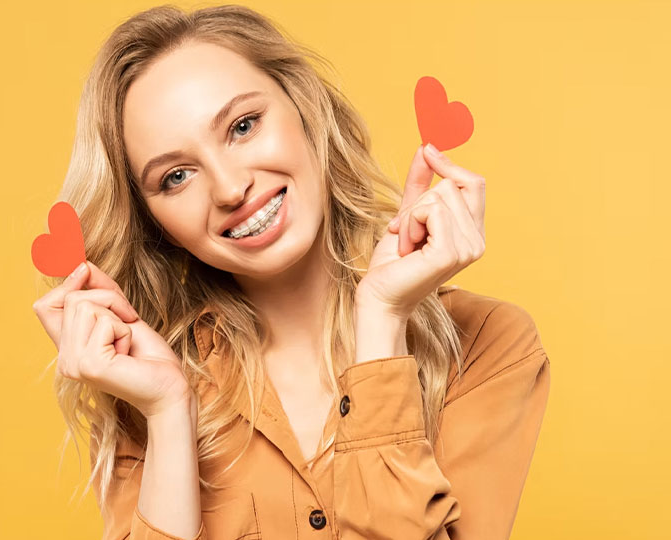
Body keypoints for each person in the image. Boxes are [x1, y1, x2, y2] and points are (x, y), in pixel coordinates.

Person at [32, 4, 551, 540]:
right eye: (177, 176)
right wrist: (167, 412)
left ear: (306, 110)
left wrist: (383, 320)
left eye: (243, 126)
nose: (231, 188)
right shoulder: (142, 394)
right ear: (153, 221)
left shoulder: (487, 346)